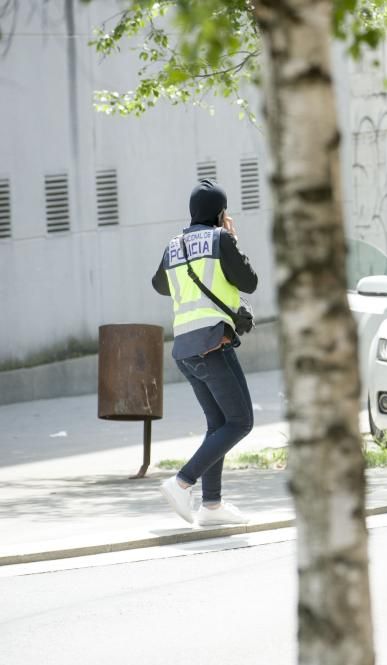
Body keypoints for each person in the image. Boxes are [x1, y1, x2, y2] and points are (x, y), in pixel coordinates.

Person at [152, 179, 259, 526]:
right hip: (214, 344)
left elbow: (158, 284)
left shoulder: (174, 246)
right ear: (220, 212)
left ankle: (211, 507)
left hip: (185, 350)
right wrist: (232, 242)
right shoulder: (220, 239)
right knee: (241, 421)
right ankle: (183, 481)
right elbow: (250, 281)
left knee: (218, 424)